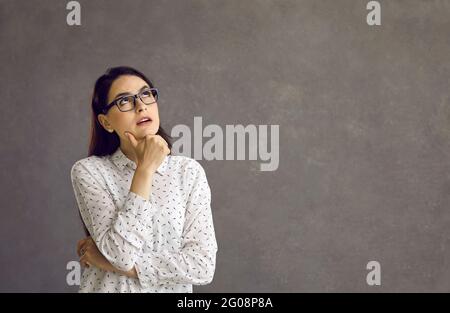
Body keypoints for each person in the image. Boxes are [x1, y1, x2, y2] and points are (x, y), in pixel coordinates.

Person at [70, 66, 218, 292]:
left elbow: (202, 266)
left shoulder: (188, 172)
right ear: (106, 122)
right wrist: (145, 170)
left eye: (146, 94)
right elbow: (121, 254)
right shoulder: (90, 171)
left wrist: (118, 266)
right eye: (124, 101)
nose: (140, 106)